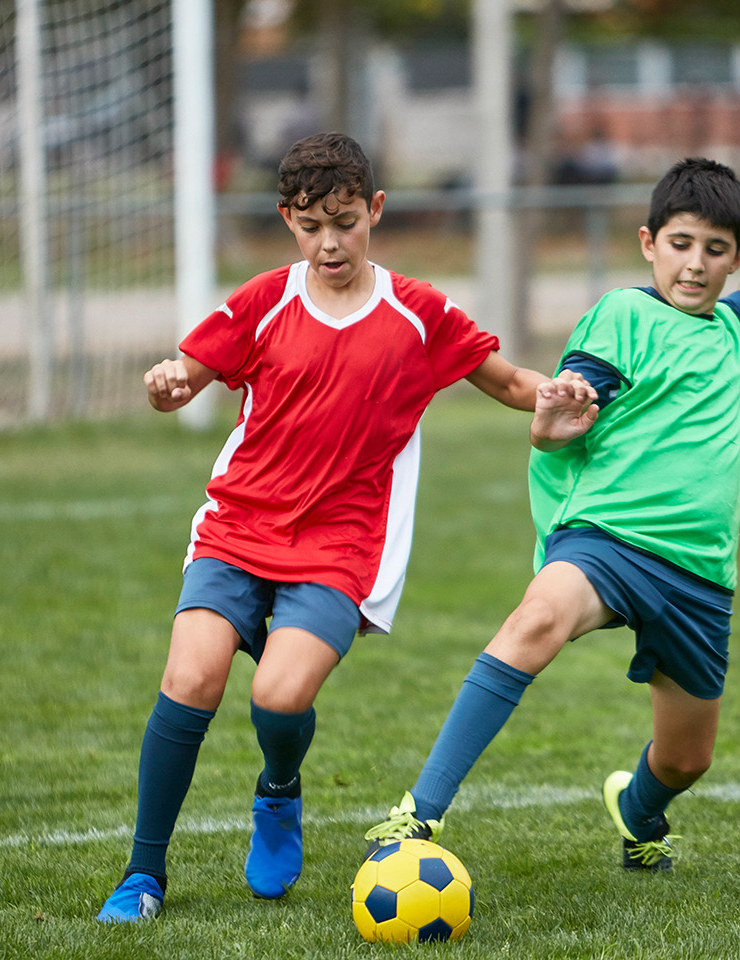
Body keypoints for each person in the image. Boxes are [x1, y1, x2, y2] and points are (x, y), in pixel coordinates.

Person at [364, 146, 740, 873]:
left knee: (688, 758)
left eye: (714, 250)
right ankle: (419, 813)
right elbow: (560, 409)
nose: (694, 265)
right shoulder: (622, 317)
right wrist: (550, 422)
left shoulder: (731, 328)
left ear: (734, 256)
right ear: (648, 244)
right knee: (536, 620)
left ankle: (638, 810)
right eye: (679, 245)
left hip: (699, 572)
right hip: (608, 539)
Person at [95, 132, 547, 922]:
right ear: (288, 221)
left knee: (278, 695)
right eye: (311, 227)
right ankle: (142, 876)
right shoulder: (265, 300)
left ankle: (278, 790)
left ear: (375, 209)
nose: (330, 243)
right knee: (190, 680)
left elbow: (509, 383)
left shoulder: (419, 314)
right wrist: (170, 383)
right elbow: (188, 372)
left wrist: (564, 394)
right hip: (237, 526)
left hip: (339, 548)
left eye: (345, 220)